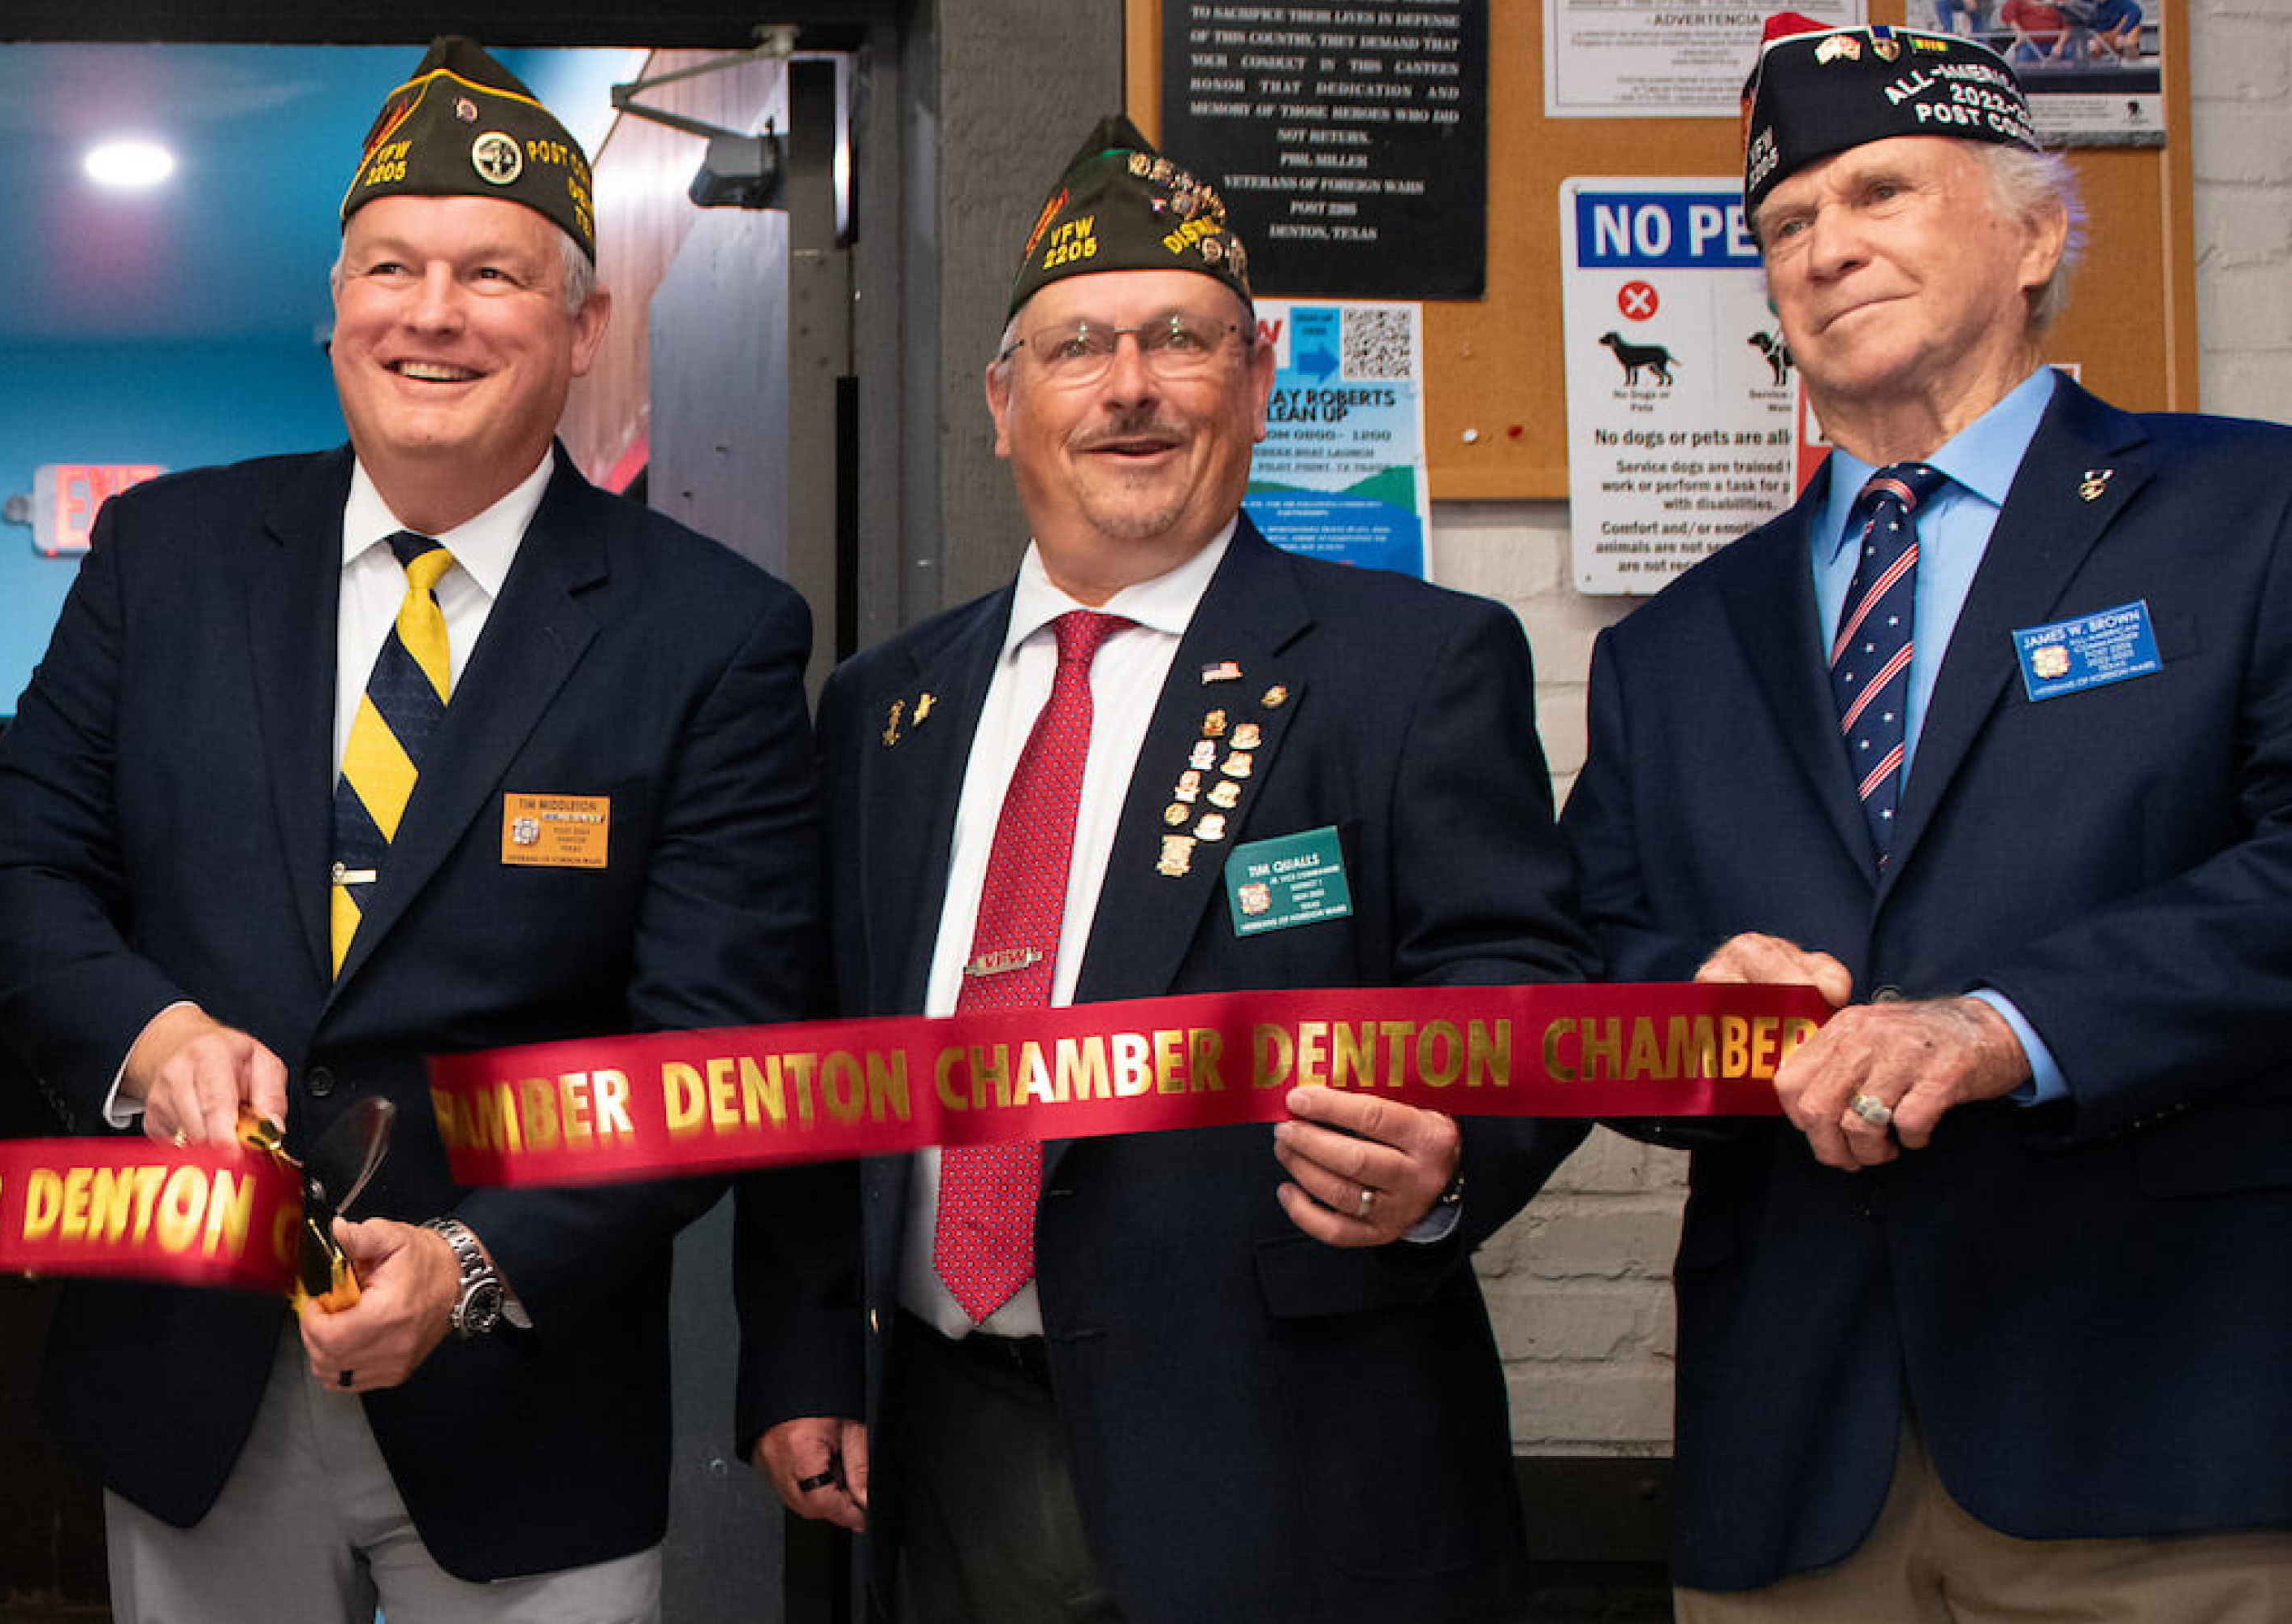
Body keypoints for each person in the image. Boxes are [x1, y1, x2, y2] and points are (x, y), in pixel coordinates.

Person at [0, 37, 819, 1622]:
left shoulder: (714, 632)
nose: (430, 312)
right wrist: (149, 1035)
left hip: (526, 1400)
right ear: (332, 305)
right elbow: (12, 883)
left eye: (490, 272)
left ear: (581, 325)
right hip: (190, 1377)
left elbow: (715, 1040)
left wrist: (476, 1268)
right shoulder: (164, 556)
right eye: (391, 266)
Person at [727, 119, 1588, 1624]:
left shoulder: (1414, 666)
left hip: (1287, 1461)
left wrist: (1452, 1150)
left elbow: (1519, 989)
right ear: (1005, 404)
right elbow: (827, 1051)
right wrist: (807, 1352)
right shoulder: (885, 706)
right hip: (945, 1438)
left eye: (1179, 340)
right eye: (1077, 350)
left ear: (1256, 384)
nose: (1129, 388)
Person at [1563, 17, 2292, 1616]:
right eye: (1783, 227)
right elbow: (1592, 954)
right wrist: (1692, 1011)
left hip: (2163, 1433)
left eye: (1879, 191)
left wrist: (2004, 1024)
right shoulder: (1668, 648)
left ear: (2034, 232)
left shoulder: (2251, 513)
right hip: (1791, 1464)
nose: (1824, 250)